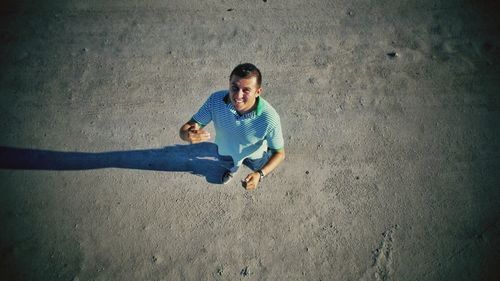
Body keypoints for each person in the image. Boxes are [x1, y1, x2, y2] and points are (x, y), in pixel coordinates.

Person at [179, 63, 285, 190]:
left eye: (246, 90)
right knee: (228, 164)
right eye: (234, 88)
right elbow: (186, 128)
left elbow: (279, 153)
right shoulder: (215, 100)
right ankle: (231, 170)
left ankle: (252, 170)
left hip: (255, 155)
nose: (238, 96)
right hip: (225, 151)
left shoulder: (270, 118)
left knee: (258, 165)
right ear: (229, 84)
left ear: (258, 92)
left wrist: (260, 174)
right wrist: (187, 135)